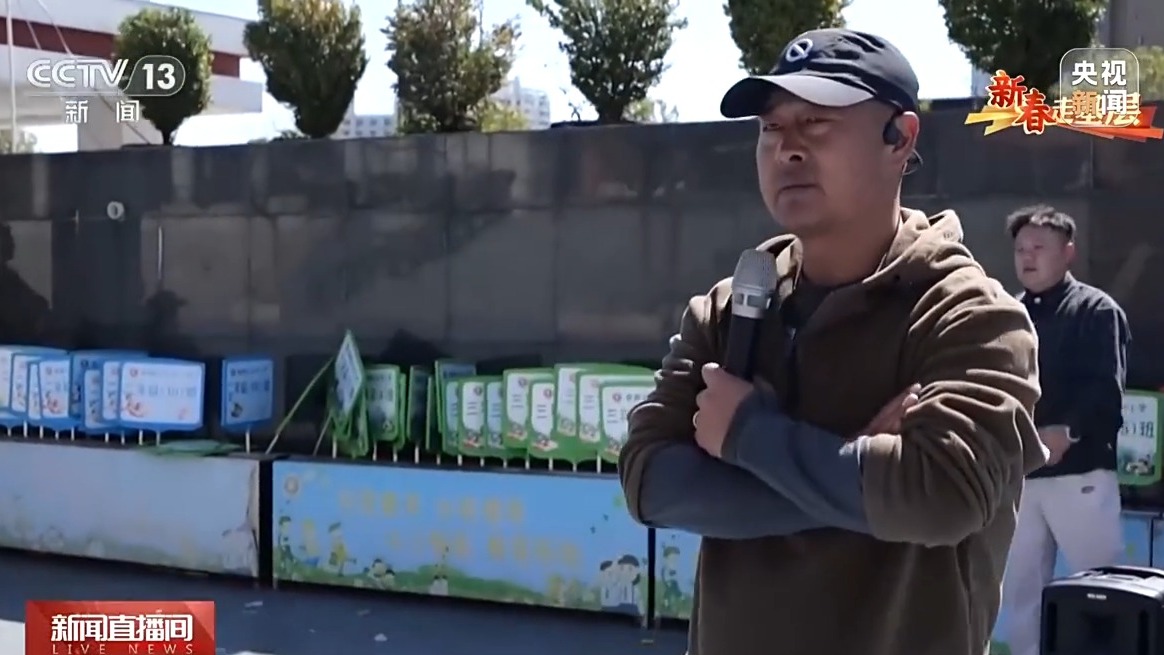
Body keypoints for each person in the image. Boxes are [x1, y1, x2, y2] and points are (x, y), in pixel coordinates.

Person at [617, 28, 1047, 655]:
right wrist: (855, 469)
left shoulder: (970, 316)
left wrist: (748, 436)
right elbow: (648, 480)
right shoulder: (731, 307)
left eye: (816, 122)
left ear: (900, 137)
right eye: (771, 127)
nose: (787, 148)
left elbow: (944, 494)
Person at [1002, 205, 1130, 655]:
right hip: (1020, 477)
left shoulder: (1096, 310)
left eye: (1039, 247)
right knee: (1019, 594)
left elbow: (1106, 391)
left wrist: (1066, 433)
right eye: (1021, 248)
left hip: (1080, 475)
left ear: (1068, 252)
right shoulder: (1007, 313)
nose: (1027, 257)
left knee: (1100, 589)